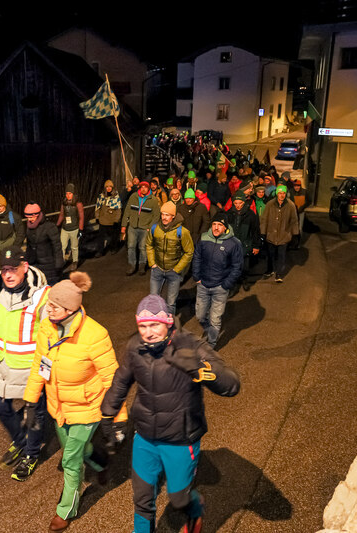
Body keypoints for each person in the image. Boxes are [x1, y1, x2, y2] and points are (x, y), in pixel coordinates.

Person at [101, 294, 241, 533]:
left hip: (181, 438)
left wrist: (201, 369)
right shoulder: (136, 346)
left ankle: (194, 510)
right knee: (142, 498)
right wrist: (107, 414)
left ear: (168, 322)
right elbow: (121, 380)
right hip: (145, 436)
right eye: (143, 326)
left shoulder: (190, 345)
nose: (148, 333)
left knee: (179, 498)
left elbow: (232, 385)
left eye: (154, 325)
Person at [23, 272, 126, 532]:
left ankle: (66, 510)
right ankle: (100, 461)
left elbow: (113, 380)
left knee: (70, 460)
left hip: (87, 409)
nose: (48, 309)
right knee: (76, 449)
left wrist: (118, 419)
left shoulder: (95, 335)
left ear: (70, 309)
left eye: (54, 306)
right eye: (48, 304)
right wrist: (30, 401)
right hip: (58, 407)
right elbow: (39, 366)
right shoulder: (47, 327)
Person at [0, 246, 49, 481]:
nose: (7, 274)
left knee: (35, 414)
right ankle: (20, 440)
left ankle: (31, 453)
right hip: (2, 364)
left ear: (24, 267)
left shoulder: (42, 296)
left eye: (13, 269)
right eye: (4, 269)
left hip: (31, 368)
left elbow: (50, 336)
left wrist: (46, 371)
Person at [193, 213, 243, 349]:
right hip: (203, 285)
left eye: (220, 225)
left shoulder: (234, 243)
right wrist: (197, 276)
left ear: (225, 227)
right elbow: (197, 257)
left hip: (220, 287)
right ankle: (209, 330)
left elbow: (237, 266)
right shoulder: (203, 238)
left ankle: (211, 344)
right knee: (200, 316)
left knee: (215, 319)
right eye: (214, 224)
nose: (216, 227)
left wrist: (226, 284)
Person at [146, 201, 194, 314]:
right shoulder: (155, 228)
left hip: (173, 272)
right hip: (157, 269)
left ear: (173, 216)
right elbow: (149, 245)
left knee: (171, 303)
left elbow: (189, 252)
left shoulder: (182, 232)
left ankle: (169, 322)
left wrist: (177, 269)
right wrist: (152, 263)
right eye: (162, 214)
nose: (164, 217)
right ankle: (157, 321)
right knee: (154, 300)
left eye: (167, 215)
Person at [260, 185, 299, 283]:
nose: (282, 195)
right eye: (280, 193)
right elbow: (264, 219)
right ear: (277, 194)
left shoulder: (290, 205)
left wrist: (295, 234)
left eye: (284, 193)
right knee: (270, 254)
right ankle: (270, 269)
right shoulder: (270, 204)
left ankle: (279, 273)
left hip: (284, 234)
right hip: (271, 234)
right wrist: (263, 232)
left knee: (282, 255)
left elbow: (294, 220)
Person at [122, 180, 161, 276]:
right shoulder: (133, 197)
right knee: (131, 246)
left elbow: (156, 215)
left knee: (143, 247)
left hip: (145, 227)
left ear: (148, 188)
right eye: (142, 187)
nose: (143, 189)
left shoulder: (153, 200)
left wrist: (150, 227)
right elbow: (127, 211)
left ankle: (142, 266)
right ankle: (132, 265)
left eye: (145, 187)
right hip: (132, 226)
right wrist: (124, 225)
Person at [226, 191, 261, 292]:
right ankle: (233, 286)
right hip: (232, 245)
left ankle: (244, 280)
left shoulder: (251, 215)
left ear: (244, 202)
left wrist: (256, 246)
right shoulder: (228, 214)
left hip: (245, 244)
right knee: (232, 266)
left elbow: (255, 231)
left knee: (244, 266)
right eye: (236, 203)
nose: (238, 205)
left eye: (240, 203)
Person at [24, 202, 64, 284]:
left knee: (51, 286)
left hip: (49, 264)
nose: (29, 219)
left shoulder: (49, 227)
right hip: (34, 264)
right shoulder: (29, 228)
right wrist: (27, 260)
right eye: (27, 217)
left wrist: (59, 263)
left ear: (37, 215)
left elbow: (57, 246)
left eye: (31, 217)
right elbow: (29, 246)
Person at [0, 195, 26, 272]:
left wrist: (15, 247)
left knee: (12, 271)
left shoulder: (13, 217)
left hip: (10, 250)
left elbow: (21, 233)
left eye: (1, 206)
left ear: (4, 205)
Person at [57, 183, 85, 273]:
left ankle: (75, 261)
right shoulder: (64, 203)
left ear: (73, 194)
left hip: (74, 229)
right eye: (66, 193)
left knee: (74, 247)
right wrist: (57, 225)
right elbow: (62, 215)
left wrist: (81, 229)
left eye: (70, 193)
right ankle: (61, 262)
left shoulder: (78, 204)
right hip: (65, 228)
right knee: (62, 246)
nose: (67, 195)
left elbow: (81, 217)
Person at [177, 189, 211, 254]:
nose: (188, 200)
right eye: (186, 198)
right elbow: (178, 222)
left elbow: (206, 222)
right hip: (184, 237)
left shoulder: (201, 207)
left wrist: (201, 235)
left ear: (194, 198)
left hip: (197, 237)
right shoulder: (181, 208)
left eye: (190, 198)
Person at [95, 180, 122, 255]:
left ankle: (113, 248)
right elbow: (97, 208)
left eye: (110, 186)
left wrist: (116, 220)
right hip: (103, 220)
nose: (109, 188)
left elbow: (118, 210)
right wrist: (97, 217)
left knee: (113, 236)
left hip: (112, 221)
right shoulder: (101, 196)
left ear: (112, 187)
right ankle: (100, 251)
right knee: (101, 238)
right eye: (107, 187)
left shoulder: (116, 197)